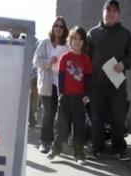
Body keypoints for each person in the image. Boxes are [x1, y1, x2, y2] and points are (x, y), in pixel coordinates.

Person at [87, 0, 131, 161]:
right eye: (108, 10)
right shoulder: (92, 34)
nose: (111, 13)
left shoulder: (125, 34)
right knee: (97, 117)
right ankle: (97, 147)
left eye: (115, 10)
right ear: (103, 12)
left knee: (118, 117)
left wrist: (124, 64)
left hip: (117, 83)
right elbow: (86, 59)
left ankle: (119, 149)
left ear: (118, 14)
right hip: (96, 84)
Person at [46, 26, 92, 165]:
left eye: (80, 39)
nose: (77, 41)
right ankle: (55, 148)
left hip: (79, 100)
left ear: (83, 42)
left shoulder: (86, 60)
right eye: (75, 38)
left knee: (78, 129)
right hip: (65, 98)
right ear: (70, 41)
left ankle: (79, 154)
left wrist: (86, 96)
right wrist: (60, 93)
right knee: (61, 127)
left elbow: (88, 80)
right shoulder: (65, 57)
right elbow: (61, 76)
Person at [33, 16, 69, 153]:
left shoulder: (66, 46)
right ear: (52, 28)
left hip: (60, 84)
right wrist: (49, 61)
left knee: (55, 113)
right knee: (48, 112)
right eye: (56, 26)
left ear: (64, 29)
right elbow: (36, 61)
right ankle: (44, 141)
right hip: (47, 84)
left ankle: (52, 141)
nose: (58, 28)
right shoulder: (45, 43)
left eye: (61, 26)